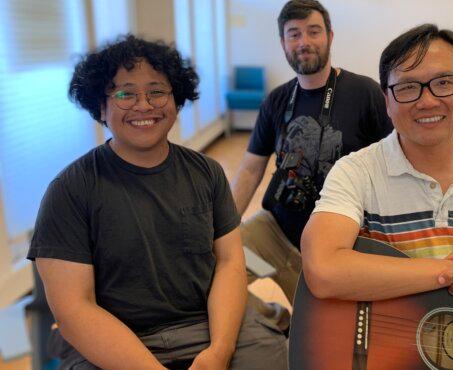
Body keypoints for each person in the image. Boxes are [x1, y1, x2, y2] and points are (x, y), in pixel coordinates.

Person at [27, 35, 287, 370]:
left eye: (157, 91)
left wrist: (219, 351)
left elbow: (230, 265)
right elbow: (75, 309)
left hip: (206, 326)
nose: (144, 105)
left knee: (272, 352)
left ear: (176, 102)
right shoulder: (69, 190)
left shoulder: (207, 173)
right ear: (101, 107)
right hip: (114, 340)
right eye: (125, 94)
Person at [301, 24, 453, 308]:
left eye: (444, 83)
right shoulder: (356, 172)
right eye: (407, 88)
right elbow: (323, 269)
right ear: (387, 102)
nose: (428, 101)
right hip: (391, 350)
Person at [231, 0, 392, 329]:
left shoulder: (365, 94)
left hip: (335, 251)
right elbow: (249, 170)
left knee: (330, 338)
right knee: (215, 270)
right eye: (294, 34)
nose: (304, 42)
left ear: (330, 37)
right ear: (283, 43)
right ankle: (278, 323)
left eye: (313, 31)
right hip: (274, 238)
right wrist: (223, 228)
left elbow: (394, 165)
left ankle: (304, 327)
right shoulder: (276, 100)